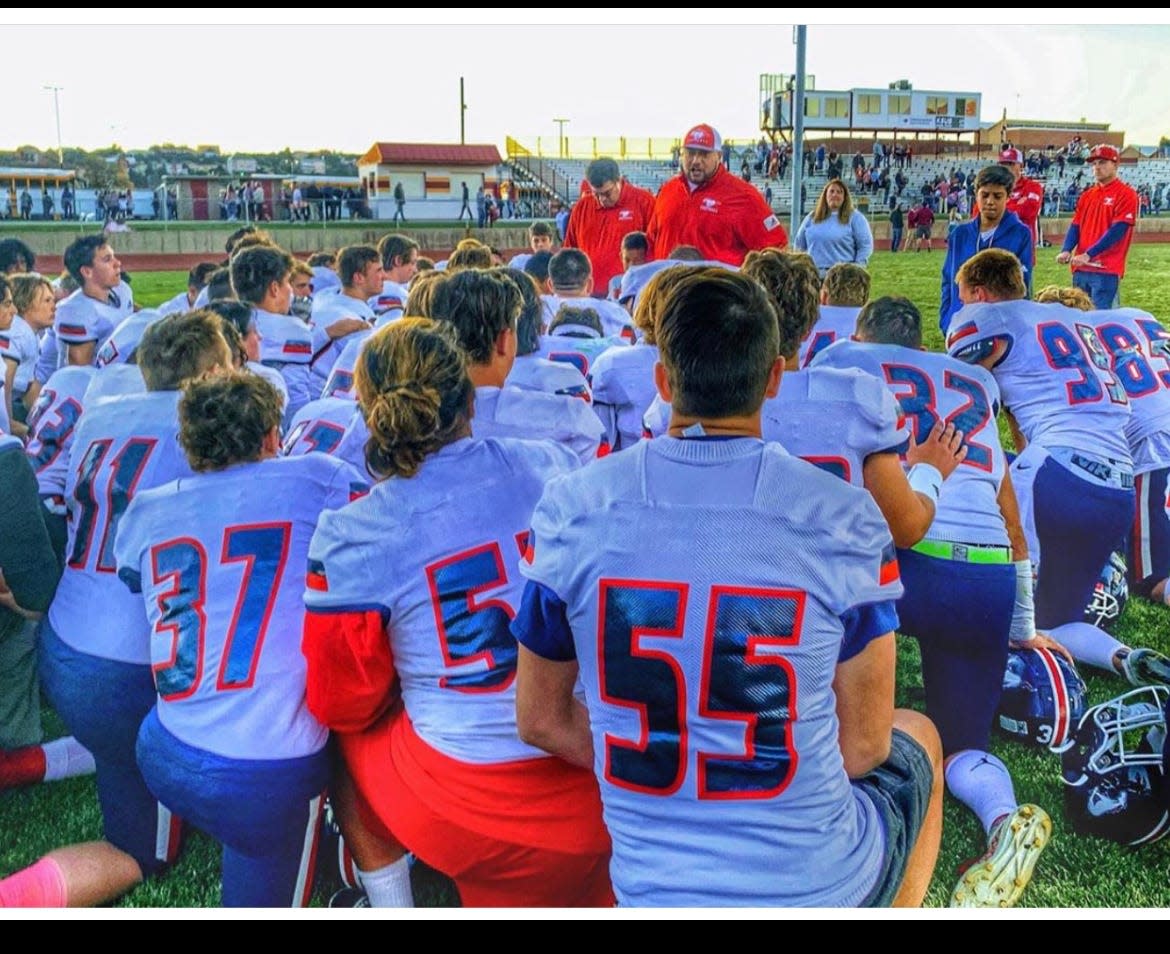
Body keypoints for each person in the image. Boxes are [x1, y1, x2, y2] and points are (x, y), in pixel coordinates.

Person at [512, 267, 943, 907]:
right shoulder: (845, 516)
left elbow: (539, 719)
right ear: (774, 377)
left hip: (653, 887)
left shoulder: (573, 508)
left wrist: (665, 760)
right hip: (817, 879)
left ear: (663, 379)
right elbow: (865, 744)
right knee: (920, 737)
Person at [301, 318, 613, 908]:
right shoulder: (550, 463)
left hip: (473, 802)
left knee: (343, 737)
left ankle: (391, 900)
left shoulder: (355, 531)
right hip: (593, 764)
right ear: (469, 396)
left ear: (368, 412)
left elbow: (343, 700)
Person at [814, 295, 1067, 907]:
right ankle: (1003, 818)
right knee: (966, 747)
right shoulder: (977, 382)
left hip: (896, 556)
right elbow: (1010, 516)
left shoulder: (843, 357)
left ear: (864, 331)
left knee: (835, 706)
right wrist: (1024, 624)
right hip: (982, 570)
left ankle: (832, 802)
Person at [0, 311, 234, 908]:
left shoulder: (102, 417)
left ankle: (19, 766)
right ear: (211, 372)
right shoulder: (207, 427)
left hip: (64, 643)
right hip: (130, 669)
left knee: (117, 749)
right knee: (141, 850)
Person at [114, 371, 357, 906]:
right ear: (274, 434)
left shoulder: (149, 508)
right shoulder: (321, 478)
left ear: (190, 443)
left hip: (163, 749)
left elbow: (139, 579)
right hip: (266, 777)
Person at [946, 250, 1169, 686]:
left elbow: (959, 399)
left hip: (1054, 475)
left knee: (1005, 609)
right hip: (1118, 484)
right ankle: (1121, 657)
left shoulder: (985, 319)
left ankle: (1000, 674)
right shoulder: (1082, 322)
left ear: (977, 293)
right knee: (1053, 618)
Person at [646, 123, 787, 266]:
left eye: (704, 154)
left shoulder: (744, 196)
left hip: (717, 287)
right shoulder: (668, 191)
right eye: (690, 153)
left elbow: (776, 249)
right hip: (667, 286)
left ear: (719, 156)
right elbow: (651, 242)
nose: (695, 160)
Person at [939, 165, 1034, 334]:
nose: (990, 201)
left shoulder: (1020, 233)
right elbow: (948, 279)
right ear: (976, 195)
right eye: (985, 195)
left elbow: (1023, 285)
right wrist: (946, 318)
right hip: (960, 324)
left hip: (999, 327)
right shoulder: (960, 234)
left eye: (997, 196)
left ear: (1007, 197)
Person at [230, 244, 313, 422]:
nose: (290, 290)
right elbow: (297, 401)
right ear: (275, 288)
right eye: (287, 283)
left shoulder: (225, 321)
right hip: (276, 430)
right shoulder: (296, 330)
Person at [1057, 144, 1138, 309]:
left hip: (1105, 269)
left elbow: (1118, 230)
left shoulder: (1126, 194)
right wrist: (1066, 249)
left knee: (1102, 321)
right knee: (1079, 321)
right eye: (1094, 164)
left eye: (1102, 162)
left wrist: (1089, 254)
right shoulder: (1087, 195)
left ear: (1115, 165)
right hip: (1081, 268)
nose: (1097, 167)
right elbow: (1076, 225)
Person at [563, 158, 655, 298]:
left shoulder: (644, 201)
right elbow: (569, 251)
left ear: (619, 180)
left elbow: (656, 247)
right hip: (589, 295)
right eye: (596, 194)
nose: (602, 199)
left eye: (607, 193)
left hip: (630, 294)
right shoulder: (581, 208)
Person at [52, 237, 133, 368]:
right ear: (87, 271)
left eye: (113, 256)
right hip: (95, 385)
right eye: (107, 259)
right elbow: (79, 375)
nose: (117, 263)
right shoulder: (77, 311)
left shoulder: (122, 290)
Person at [310, 244, 381, 383]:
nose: (383, 276)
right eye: (378, 271)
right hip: (327, 392)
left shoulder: (328, 299)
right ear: (359, 278)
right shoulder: (353, 320)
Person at [793, 179, 874, 277]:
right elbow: (799, 244)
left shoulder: (855, 218)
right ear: (825, 195)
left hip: (842, 277)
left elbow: (865, 245)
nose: (835, 195)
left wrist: (857, 269)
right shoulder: (812, 217)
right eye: (831, 191)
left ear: (845, 197)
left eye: (839, 192)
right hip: (813, 275)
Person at [798, 261, 870, 368]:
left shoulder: (806, 317)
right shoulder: (871, 324)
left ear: (824, 295)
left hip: (809, 380)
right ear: (865, 300)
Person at [994, 147, 1044, 247]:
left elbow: (1028, 212)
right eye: (1003, 164)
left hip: (1022, 247)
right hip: (996, 245)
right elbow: (979, 213)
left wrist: (998, 208)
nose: (1007, 167)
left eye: (1011, 164)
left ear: (1021, 165)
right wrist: (1016, 205)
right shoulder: (992, 188)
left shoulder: (1033, 187)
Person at [370, 234, 420, 324]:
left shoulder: (369, 290)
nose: (415, 270)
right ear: (398, 261)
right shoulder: (396, 294)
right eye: (412, 263)